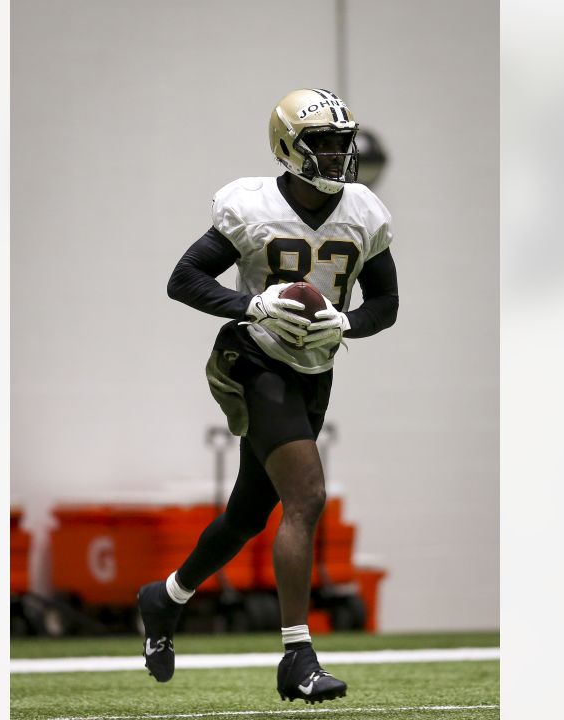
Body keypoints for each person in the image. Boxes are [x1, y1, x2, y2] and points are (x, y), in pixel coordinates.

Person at [137, 88, 400, 704]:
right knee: (306, 495)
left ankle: (166, 596)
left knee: (248, 516)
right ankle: (296, 655)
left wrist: (347, 323)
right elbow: (184, 278)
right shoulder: (252, 207)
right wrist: (249, 303)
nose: (337, 154)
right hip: (254, 360)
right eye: (323, 142)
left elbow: (386, 303)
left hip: (313, 369)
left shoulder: (363, 210)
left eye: (343, 142)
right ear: (290, 147)